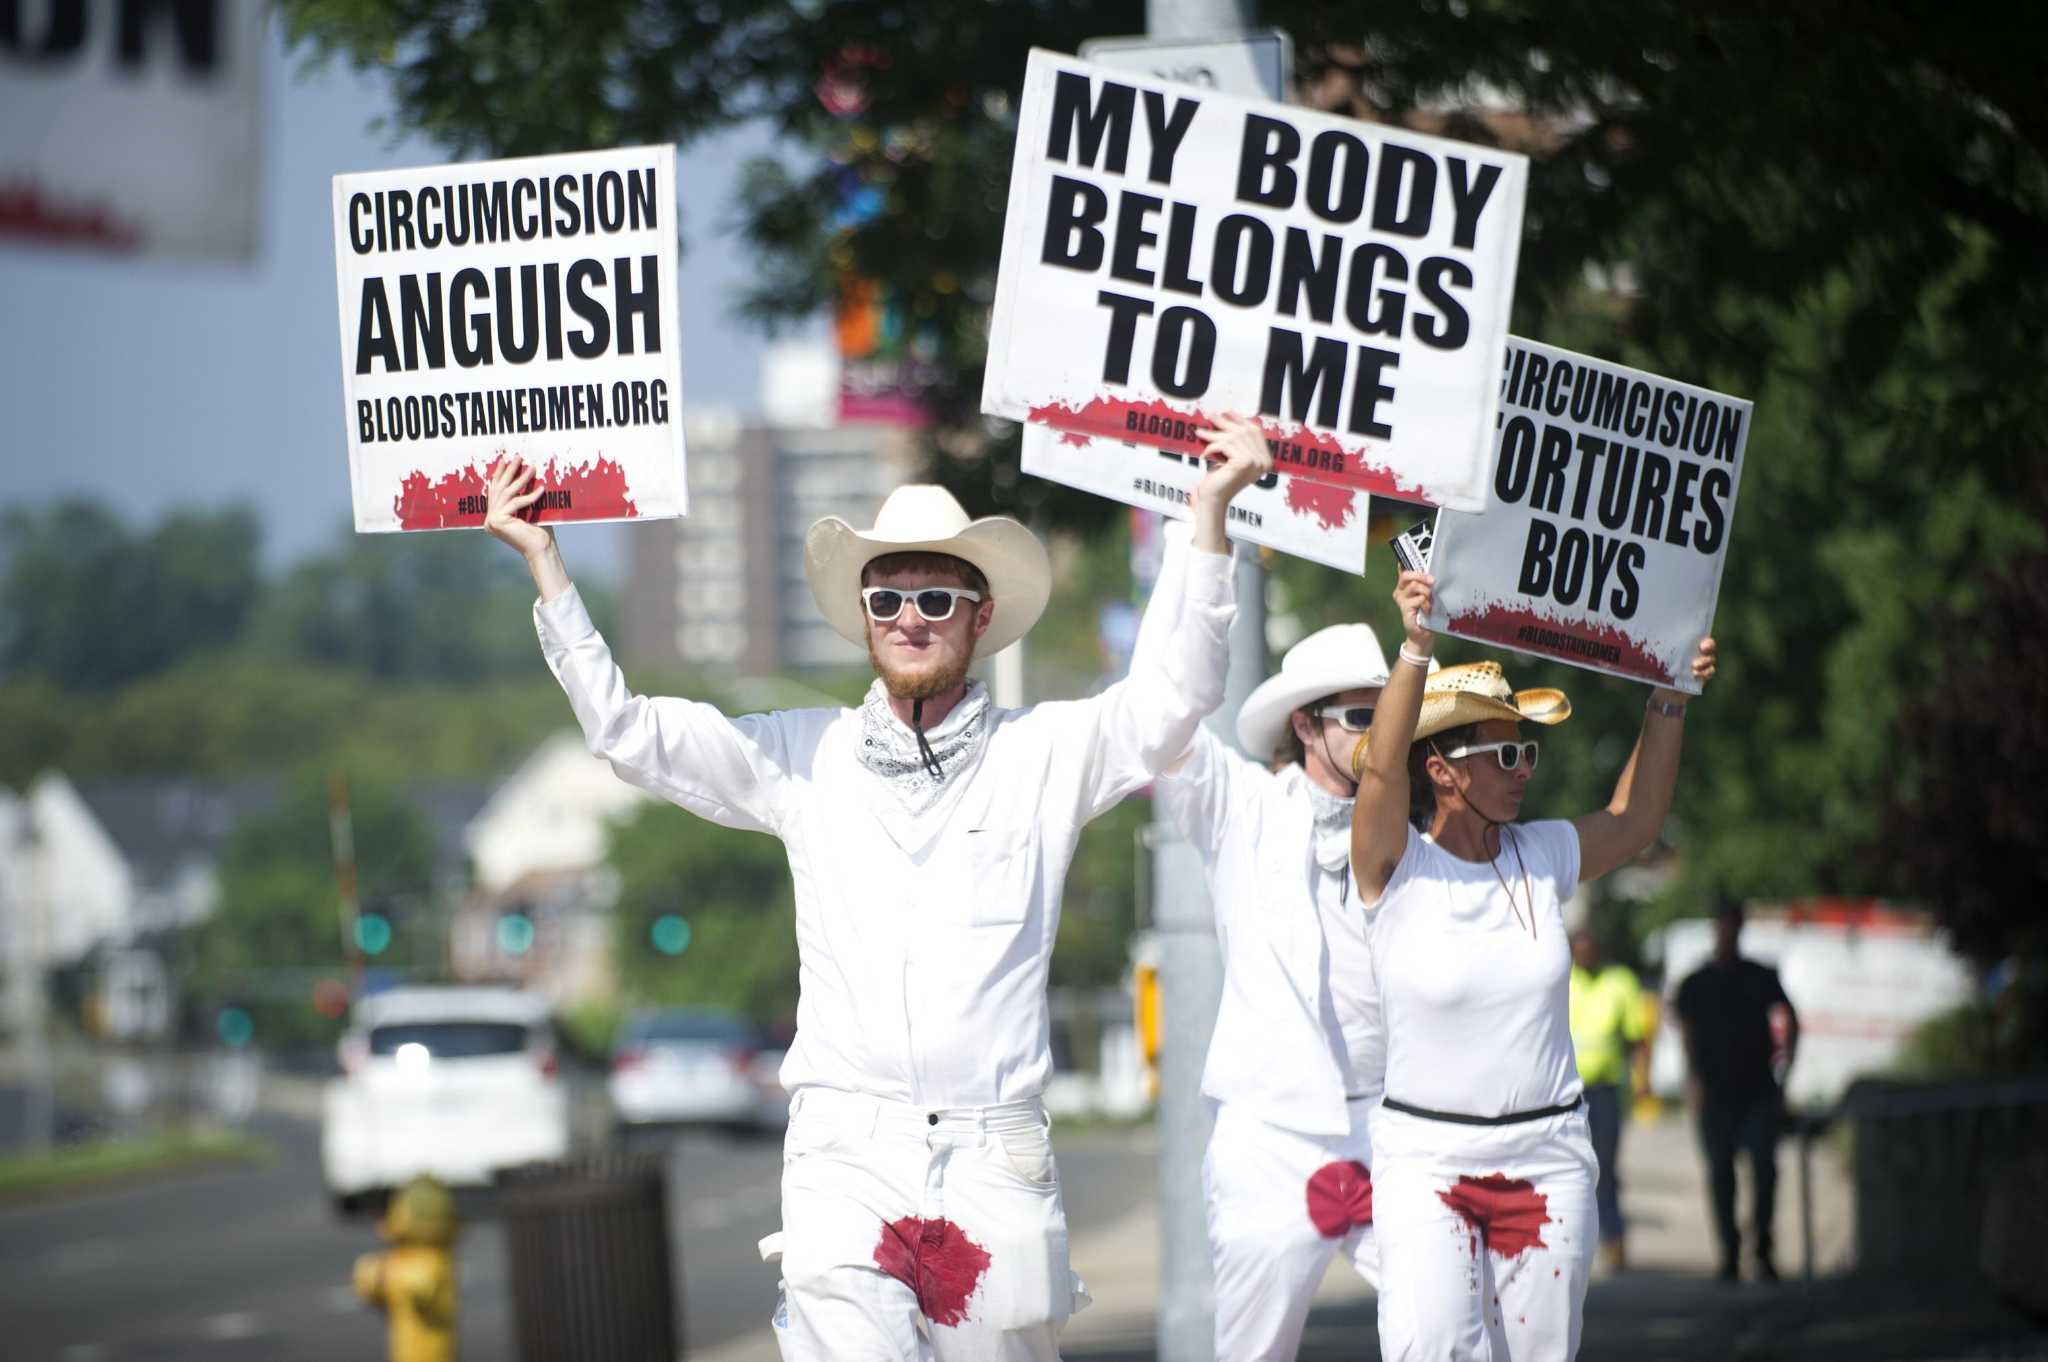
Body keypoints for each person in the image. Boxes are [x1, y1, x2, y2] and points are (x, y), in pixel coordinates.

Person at [483, 418, 1272, 1361]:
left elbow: (1174, 698)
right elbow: (628, 734)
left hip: (994, 1153)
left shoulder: (1045, 753)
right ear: (862, 616)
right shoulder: (798, 754)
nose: (909, 616)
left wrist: (1208, 519)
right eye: (886, 594)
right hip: (844, 1152)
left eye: (936, 597)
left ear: (981, 618)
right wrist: (548, 568)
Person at [1349, 567, 1716, 1362]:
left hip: (1546, 1157)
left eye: (1528, 752)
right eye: (1506, 751)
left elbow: (1637, 819)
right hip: (1428, 1162)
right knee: (1428, 1351)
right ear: (1443, 771)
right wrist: (1415, 646)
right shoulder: (1394, 865)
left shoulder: (1542, 853)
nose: (1524, 768)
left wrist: (1671, 694)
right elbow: (1380, 773)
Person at [1150, 613, 1396, 1361]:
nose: (1378, 733)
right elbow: (1167, 718)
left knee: (1459, 1331)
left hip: (1394, 1126)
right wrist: (1209, 544)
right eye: (1361, 717)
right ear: (1307, 725)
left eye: (1389, 716)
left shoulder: (1414, 828)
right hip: (1272, 1136)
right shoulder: (1242, 804)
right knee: (1254, 1352)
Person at [1674, 901, 1799, 1284]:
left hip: (1757, 1089)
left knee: (1764, 1171)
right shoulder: (1697, 983)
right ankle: (1729, 1252)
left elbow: (1791, 1019)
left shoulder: (1759, 976)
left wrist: (1784, 1074)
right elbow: (1688, 1033)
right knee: (1721, 1175)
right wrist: (1693, 1080)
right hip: (1715, 1094)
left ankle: (1762, 1249)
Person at [1567, 926, 1647, 1272]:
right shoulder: (1560, 977)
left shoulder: (1620, 982)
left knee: (1606, 1169)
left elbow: (1636, 1039)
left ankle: (1614, 1242)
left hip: (1606, 1091)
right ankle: (1572, 1242)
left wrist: (1644, 1081)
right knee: (1569, 1171)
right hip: (1565, 1093)